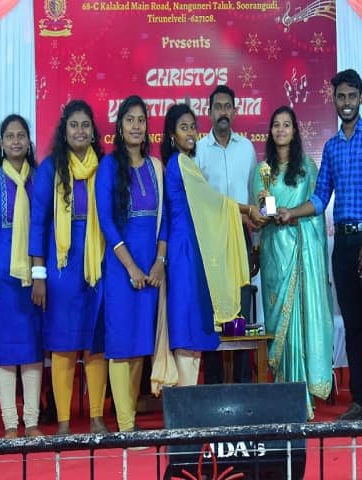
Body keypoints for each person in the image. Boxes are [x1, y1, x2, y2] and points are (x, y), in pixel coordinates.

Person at [278, 69, 362, 420]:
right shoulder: (330, 147)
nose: (346, 102)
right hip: (342, 244)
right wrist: (291, 213)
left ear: (361, 98)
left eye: (351, 96)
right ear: (334, 99)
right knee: (353, 326)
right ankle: (361, 402)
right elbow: (319, 198)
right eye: (341, 96)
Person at [29, 100, 108, 434]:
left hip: (97, 263)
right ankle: (63, 421)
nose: (80, 131)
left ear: (93, 131)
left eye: (85, 125)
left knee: (95, 341)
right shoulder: (50, 168)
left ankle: (96, 417)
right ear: (64, 131)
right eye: (74, 125)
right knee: (63, 343)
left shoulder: (104, 166)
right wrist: (39, 274)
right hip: (61, 267)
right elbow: (37, 222)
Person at [162, 103, 253, 386]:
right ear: (172, 135)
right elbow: (211, 201)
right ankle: (183, 397)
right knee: (187, 316)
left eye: (193, 127)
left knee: (193, 316)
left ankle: (186, 396)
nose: (190, 133)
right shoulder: (180, 162)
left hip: (191, 244)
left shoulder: (184, 162)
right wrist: (246, 209)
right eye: (183, 128)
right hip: (185, 248)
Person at [252, 106, 333, 419]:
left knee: (298, 323)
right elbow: (260, 215)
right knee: (277, 325)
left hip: (300, 254)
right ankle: (281, 394)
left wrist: (293, 215)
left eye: (286, 125)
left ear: (295, 131)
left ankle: (300, 398)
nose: (281, 130)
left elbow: (316, 210)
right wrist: (265, 212)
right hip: (274, 253)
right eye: (276, 125)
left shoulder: (306, 169)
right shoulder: (263, 170)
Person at [95, 96, 166, 432]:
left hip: (151, 269)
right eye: (130, 120)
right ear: (120, 126)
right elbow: (106, 222)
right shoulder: (109, 167)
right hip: (122, 268)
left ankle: (130, 419)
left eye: (141, 120)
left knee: (140, 343)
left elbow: (165, 220)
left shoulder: (155, 167)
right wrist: (131, 268)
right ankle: (125, 426)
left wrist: (159, 263)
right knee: (121, 343)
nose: (136, 126)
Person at [0, 114, 43, 438]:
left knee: (32, 348)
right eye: (10, 136)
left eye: (21, 135)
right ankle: (9, 425)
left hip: (33, 278)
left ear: (29, 142)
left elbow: (45, 226)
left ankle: (31, 422)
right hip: (0, 280)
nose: (16, 141)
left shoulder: (40, 179)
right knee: (3, 349)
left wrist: (41, 273)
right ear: (1, 143)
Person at [195, 84, 266, 384]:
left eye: (227, 107)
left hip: (241, 237)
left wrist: (256, 245)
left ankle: (241, 382)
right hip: (210, 240)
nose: (223, 112)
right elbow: (199, 199)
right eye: (218, 107)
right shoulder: (199, 150)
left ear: (235, 112)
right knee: (214, 309)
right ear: (209, 112)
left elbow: (254, 197)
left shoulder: (246, 148)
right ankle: (213, 383)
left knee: (240, 308)